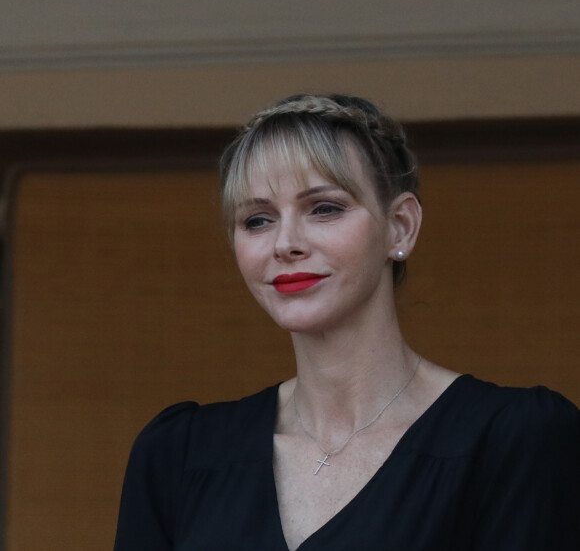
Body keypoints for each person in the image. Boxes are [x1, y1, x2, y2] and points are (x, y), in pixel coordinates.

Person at [114, 94, 580, 550]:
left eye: (324, 208)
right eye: (257, 219)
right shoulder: (179, 455)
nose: (286, 243)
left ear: (400, 226)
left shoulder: (516, 440)